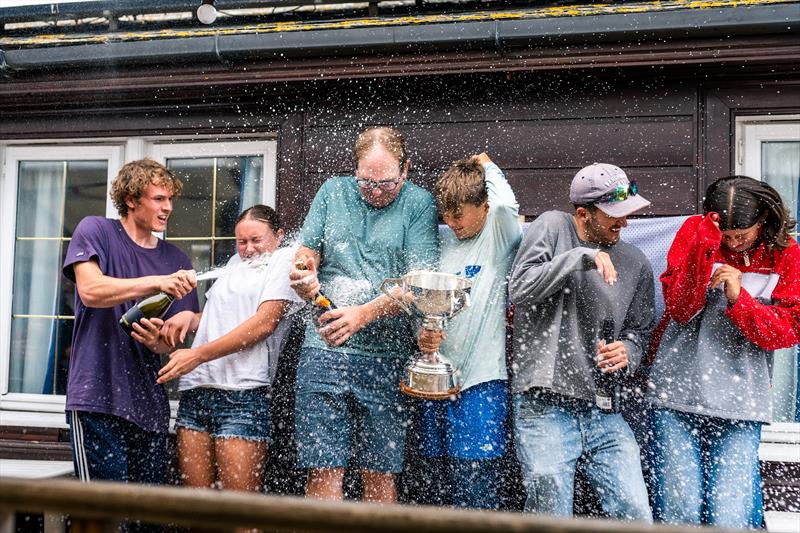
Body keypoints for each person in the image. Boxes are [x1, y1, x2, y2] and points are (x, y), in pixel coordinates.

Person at [289, 127, 439, 503]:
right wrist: (304, 276)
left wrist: (365, 314)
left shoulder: (419, 204)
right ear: (354, 170)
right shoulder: (331, 192)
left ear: (405, 169)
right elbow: (305, 256)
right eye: (366, 182)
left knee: (380, 474)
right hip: (323, 352)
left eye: (385, 183)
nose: (374, 191)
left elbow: (419, 283)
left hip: (387, 358)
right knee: (323, 471)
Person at [646, 176, 800, 528]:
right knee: (677, 512)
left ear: (763, 219)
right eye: (726, 236)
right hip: (676, 395)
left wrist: (738, 298)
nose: (732, 243)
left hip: (741, 401)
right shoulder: (695, 233)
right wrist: (705, 249)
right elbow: (680, 308)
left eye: (741, 235)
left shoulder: (785, 252)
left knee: (729, 516)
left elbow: (788, 331)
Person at [508, 162, 655, 521]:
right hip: (544, 404)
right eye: (613, 217)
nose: (623, 225)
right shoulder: (553, 226)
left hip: (604, 409)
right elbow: (521, 288)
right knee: (551, 512)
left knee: (635, 509)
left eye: (627, 216)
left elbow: (640, 330)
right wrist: (582, 257)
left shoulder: (636, 261)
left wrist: (629, 351)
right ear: (582, 213)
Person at [62, 158, 198, 486]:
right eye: (158, 199)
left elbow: (169, 341)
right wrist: (156, 282)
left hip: (150, 405)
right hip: (97, 396)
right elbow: (92, 290)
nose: (167, 208)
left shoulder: (176, 259)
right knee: (103, 514)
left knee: (145, 519)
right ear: (131, 199)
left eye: (170, 200)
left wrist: (158, 340)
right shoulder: (96, 230)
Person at [155, 205, 303, 495]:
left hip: (243, 396)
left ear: (279, 235)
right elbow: (219, 319)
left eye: (256, 240)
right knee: (198, 513)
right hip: (197, 391)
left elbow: (263, 324)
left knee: (238, 515)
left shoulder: (284, 261)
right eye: (241, 241)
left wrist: (197, 355)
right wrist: (190, 319)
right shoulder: (235, 262)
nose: (248, 249)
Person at [414, 153, 521, 509]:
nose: (451, 223)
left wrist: (488, 165)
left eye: (458, 215)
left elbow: (507, 204)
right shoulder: (442, 242)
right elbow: (422, 302)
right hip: (433, 386)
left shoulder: (497, 237)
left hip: (481, 383)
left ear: (484, 206)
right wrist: (423, 334)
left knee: (474, 487)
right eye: (445, 215)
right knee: (430, 486)